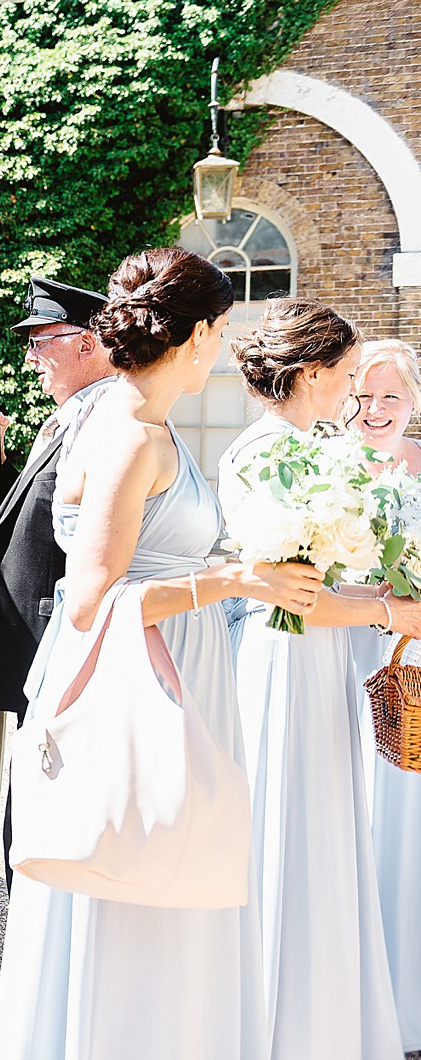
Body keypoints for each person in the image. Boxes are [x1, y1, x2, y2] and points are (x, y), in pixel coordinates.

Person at [0, 248, 324, 1060]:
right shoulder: (130, 432)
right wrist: (235, 579)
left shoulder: (139, 417)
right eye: (224, 329)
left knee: (173, 873)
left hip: (178, 657)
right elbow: (90, 601)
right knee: (141, 876)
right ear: (203, 332)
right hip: (140, 679)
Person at [220, 301, 413, 1060]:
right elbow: (301, 601)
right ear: (309, 372)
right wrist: (395, 611)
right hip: (284, 665)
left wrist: (391, 603)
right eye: (346, 378)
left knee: (330, 835)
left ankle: (328, 1023)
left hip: (320, 666)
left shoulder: (311, 447)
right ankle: (282, 1030)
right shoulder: (266, 455)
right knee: (288, 836)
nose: (356, 398)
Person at [0, 277, 116, 720]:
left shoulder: (106, 417)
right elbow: (35, 514)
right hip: (38, 646)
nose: (29, 357)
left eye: (39, 341)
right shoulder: (75, 414)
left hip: (63, 646)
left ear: (86, 344)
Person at [348, 337, 421, 1054]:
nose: (374, 410)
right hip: (347, 657)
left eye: (390, 396)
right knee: (358, 816)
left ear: (414, 402)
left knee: (409, 821)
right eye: (363, 396)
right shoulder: (326, 468)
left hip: (415, 664)